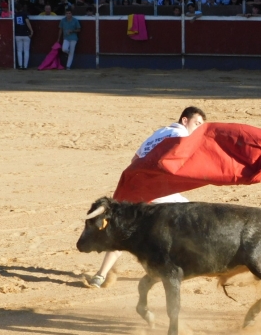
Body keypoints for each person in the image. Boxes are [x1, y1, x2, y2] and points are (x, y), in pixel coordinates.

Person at [86, 106, 207, 288]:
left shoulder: (159, 133)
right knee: (191, 215)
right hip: (152, 189)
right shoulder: (182, 135)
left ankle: (100, 276)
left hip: (131, 185)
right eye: (196, 123)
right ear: (184, 121)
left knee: (124, 231)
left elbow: (135, 159)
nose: (198, 128)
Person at [14, 2, 33, 70]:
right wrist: (31, 31)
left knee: (19, 50)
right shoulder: (25, 14)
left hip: (18, 35)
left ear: (15, 9)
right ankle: (25, 66)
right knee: (26, 50)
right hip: (26, 34)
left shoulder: (14, 15)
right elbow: (27, 23)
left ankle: (20, 65)